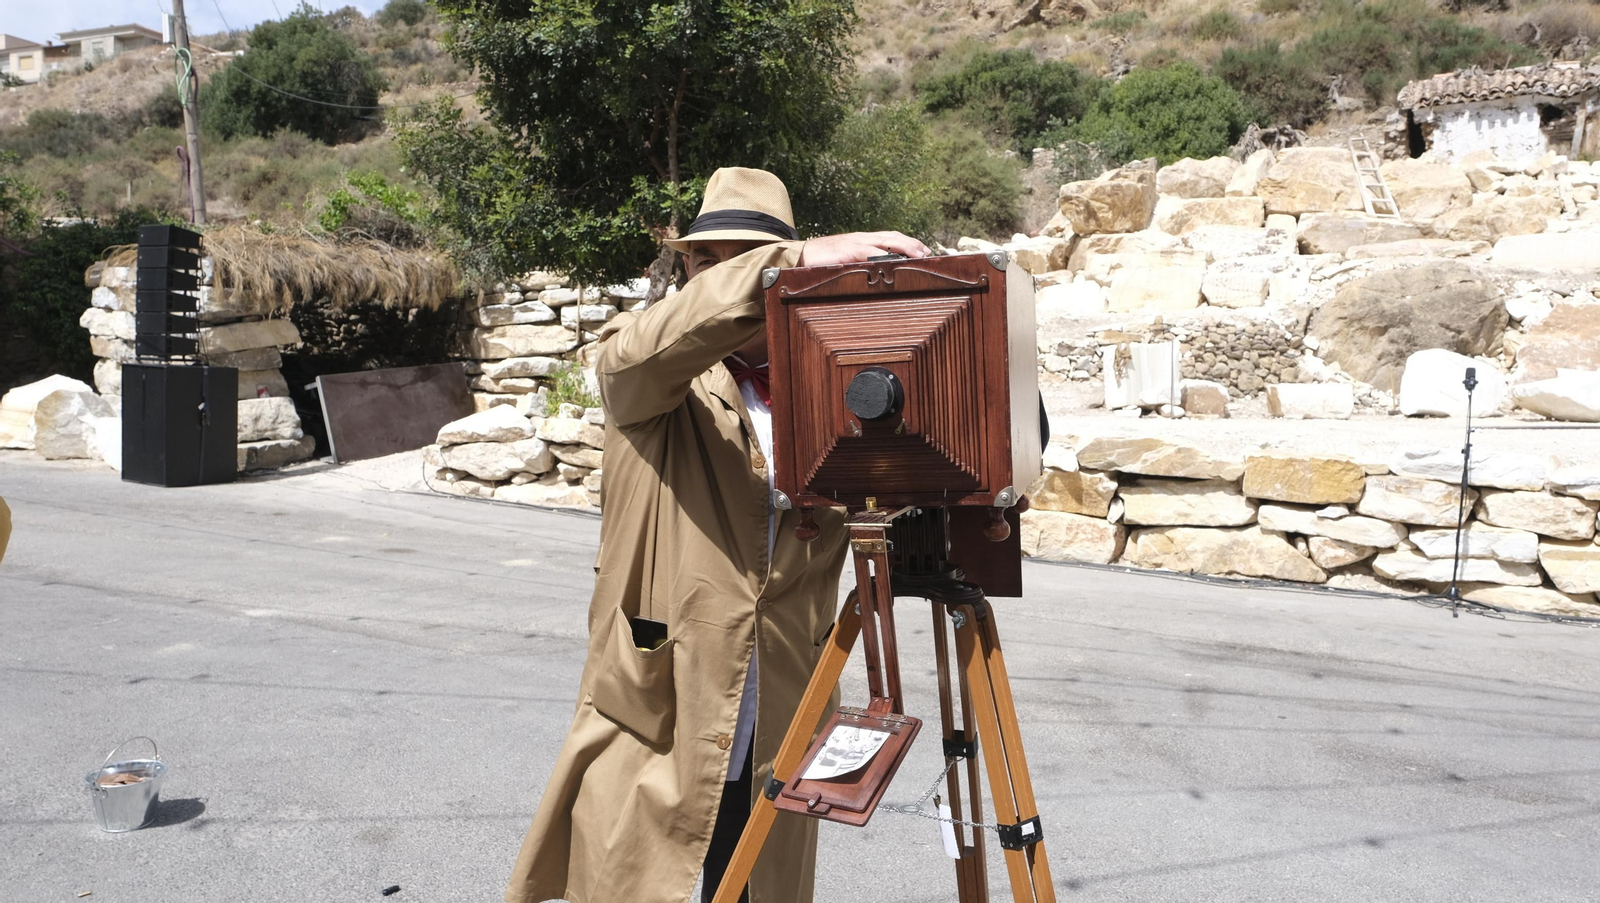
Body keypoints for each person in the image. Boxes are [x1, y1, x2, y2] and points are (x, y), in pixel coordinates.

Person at [504, 167, 929, 903]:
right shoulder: (645, 365)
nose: (724, 275)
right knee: (640, 882)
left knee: (756, 881)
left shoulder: (836, 384)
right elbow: (647, 349)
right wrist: (790, 263)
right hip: (668, 691)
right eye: (707, 259)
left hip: (783, 694)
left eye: (748, 257)